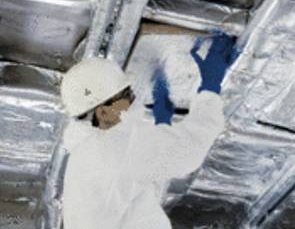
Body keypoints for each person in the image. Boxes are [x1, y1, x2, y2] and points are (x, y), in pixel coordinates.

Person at [59, 32, 239, 229]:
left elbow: (140, 179)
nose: (132, 100)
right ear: (103, 113)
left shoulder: (88, 153)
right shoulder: (113, 147)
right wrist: (210, 86)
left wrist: (162, 125)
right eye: (125, 96)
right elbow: (191, 147)